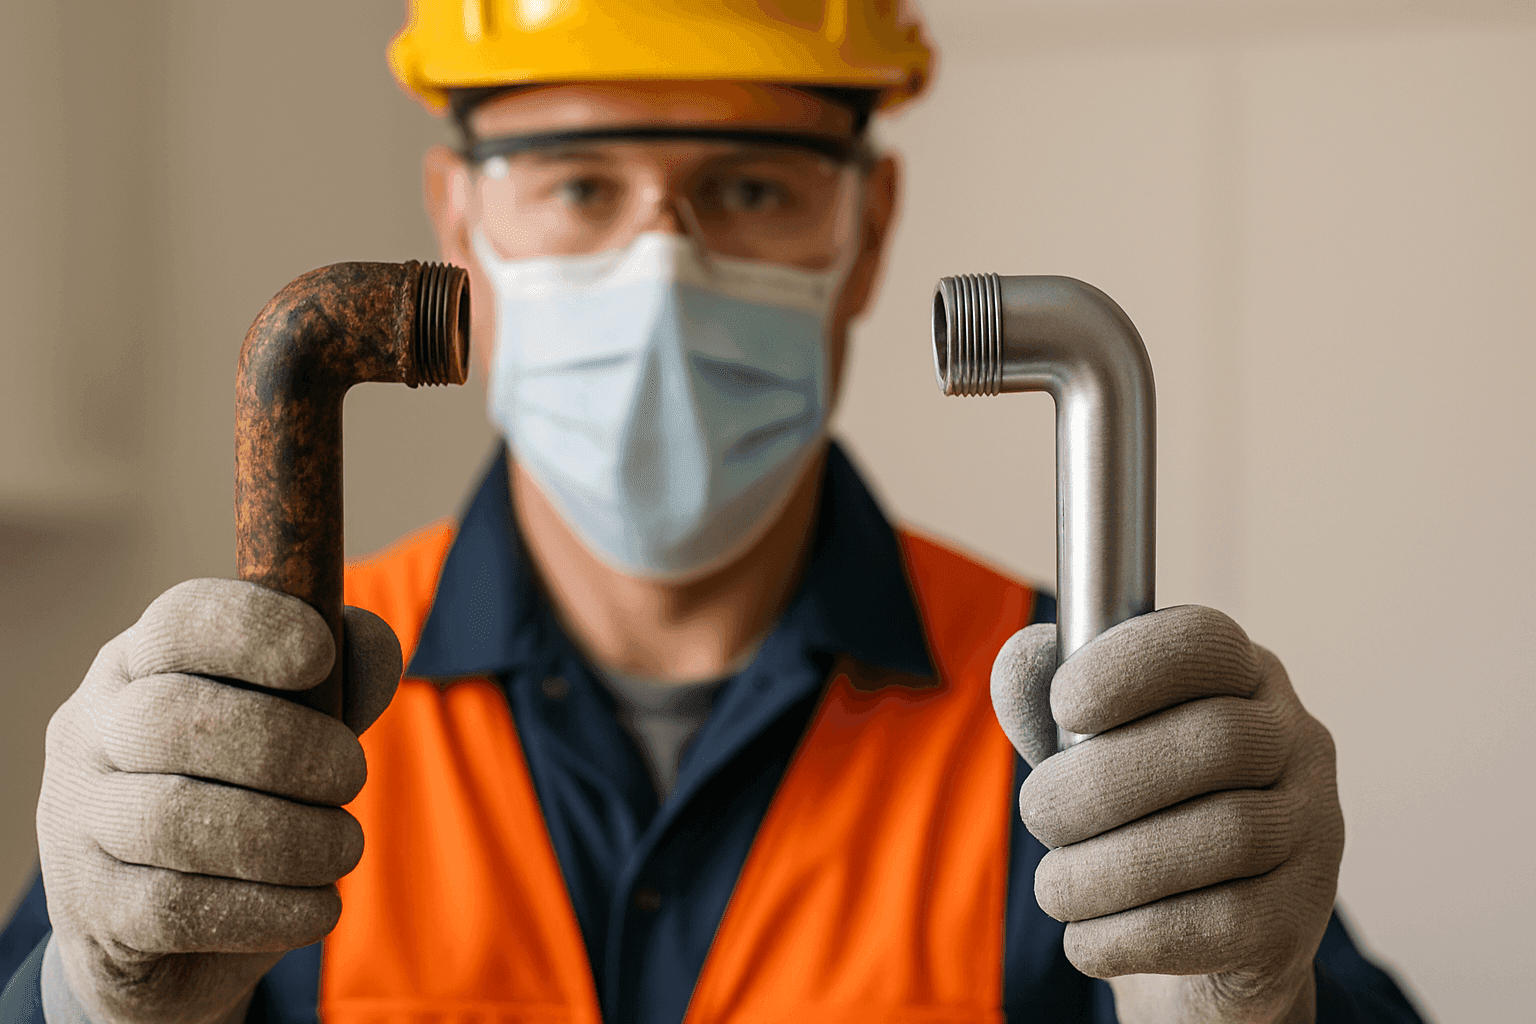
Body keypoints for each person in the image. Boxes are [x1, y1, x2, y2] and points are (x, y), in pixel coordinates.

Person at [0, 3, 1426, 1022]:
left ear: (868, 235)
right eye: (578, 184)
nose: (661, 271)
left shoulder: (1080, 724)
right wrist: (88, 997)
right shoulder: (271, 724)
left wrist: (1257, 1003)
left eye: (750, 187)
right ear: (458, 224)